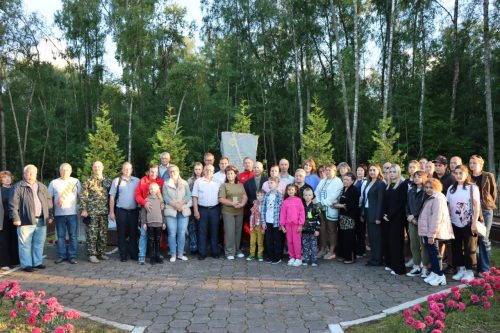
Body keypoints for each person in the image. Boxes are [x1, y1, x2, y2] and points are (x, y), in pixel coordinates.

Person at [9, 165, 53, 272]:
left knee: (39, 242)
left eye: (33, 172)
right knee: (25, 244)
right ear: (24, 174)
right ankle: (26, 265)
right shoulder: (18, 186)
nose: (30, 174)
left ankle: (37, 262)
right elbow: (12, 204)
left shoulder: (42, 186)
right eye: (28, 172)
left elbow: (49, 202)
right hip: (25, 220)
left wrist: (50, 215)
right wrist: (15, 217)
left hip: (42, 220)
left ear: (36, 174)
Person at [447, 165, 480, 282]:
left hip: (468, 223)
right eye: (456, 173)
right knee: (456, 247)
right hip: (454, 223)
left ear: (466, 174)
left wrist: (474, 223)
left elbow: (477, 207)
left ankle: (470, 271)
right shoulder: (451, 188)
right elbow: (448, 206)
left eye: (461, 173)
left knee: (469, 247)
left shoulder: (472, 188)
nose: (458, 175)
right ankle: (460, 269)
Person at [419, 178, 454, 286]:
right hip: (427, 230)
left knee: (435, 254)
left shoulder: (438, 198)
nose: (428, 190)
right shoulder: (432, 197)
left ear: (437, 187)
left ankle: (440, 276)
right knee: (432, 253)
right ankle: (434, 273)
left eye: (431, 187)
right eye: (427, 187)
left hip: (432, 231)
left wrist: (431, 234)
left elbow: (436, 218)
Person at [49, 163, 82, 265]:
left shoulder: (75, 181)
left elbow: (81, 197)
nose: (64, 172)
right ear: (59, 171)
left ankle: (72, 256)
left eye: (67, 170)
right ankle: (62, 256)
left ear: (70, 171)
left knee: (73, 236)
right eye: (62, 170)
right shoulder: (53, 183)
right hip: (59, 214)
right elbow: (49, 199)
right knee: (61, 236)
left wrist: (84, 209)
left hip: (72, 214)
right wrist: (50, 214)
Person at [469, 155, 497, 274]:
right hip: (472, 210)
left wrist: (488, 205)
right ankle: (475, 266)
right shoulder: (468, 177)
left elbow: (493, 193)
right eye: (470, 163)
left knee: (484, 238)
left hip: (485, 210)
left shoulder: (488, 176)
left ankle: (484, 268)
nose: (472, 165)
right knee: (474, 239)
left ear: (481, 164)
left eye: (474, 163)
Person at [80, 161, 112, 264]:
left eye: (99, 166)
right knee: (92, 234)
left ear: (102, 168)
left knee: (103, 233)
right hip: (91, 212)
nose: (97, 168)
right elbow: (83, 196)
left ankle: (101, 252)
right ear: (92, 168)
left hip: (104, 212)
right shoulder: (89, 181)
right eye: (95, 166)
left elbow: (112, 196)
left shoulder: (108, 181)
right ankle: (92, 254)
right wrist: (84, 209)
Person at [109, 162, 140, 262]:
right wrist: (111, 212)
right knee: (121, 233)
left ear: (131, 170)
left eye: (129, 169)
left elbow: (140, 195)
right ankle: (123, 255)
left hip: (134, 211)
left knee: (133, 233)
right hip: (121, 211)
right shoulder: (116, 181)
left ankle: (133, 254)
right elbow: (112, 197)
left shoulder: (137, 181)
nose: (127, 170)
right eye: (125, 169)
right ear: (122, 170)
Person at [134, 165, 164, 265]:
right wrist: (144, 203)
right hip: (146, 212)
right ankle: (142, 256)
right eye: (152, 172)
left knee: (157, 237)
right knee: (143, 235)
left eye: (155, 172)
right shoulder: (142, 180)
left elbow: (163, 195)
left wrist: (163, 203)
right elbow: (137, 195)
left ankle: (157, 255)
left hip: (157, 217)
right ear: (149, 171)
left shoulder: (160, 181)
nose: (153, 174)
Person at [382, 165, 408, 275]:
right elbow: (386, 202)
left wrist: (390, 215)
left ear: (398, 173)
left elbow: (401, 204)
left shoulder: (402, 185)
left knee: (396, 243)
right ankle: (391, 264)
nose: (391, 173)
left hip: (397, 218)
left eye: (394, 171)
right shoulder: (388, 185)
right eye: (390, 172)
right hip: (387, 218)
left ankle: (399, 268)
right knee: (388, 242)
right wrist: (384, 214)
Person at [163, 165, 192, 262]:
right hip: (171, 211)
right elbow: (165, 197)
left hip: (183, 210)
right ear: (168, 173)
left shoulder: (184, 183)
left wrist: (180, 204)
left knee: (182, 233)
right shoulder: (166, 183)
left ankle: (180, 254)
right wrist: (175, 205)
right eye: (170, 171)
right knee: (171, 233)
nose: (173, 173)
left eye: (174, 171)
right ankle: (173, 254)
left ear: (178, 171)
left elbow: (188, 195)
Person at [314, 163, 343, 260]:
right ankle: (323, 248)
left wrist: (322, 203)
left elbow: (334, 195)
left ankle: (332, 250)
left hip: (330, 209)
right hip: (321, 209)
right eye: (326, 170)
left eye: (329, 170)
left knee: (332, 230)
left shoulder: (338, 181)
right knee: (322, 229)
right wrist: (318, 202)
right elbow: (317, 192)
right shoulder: (323, 181)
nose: (327, 172)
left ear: (334, 171)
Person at [218, 165, 247, 260]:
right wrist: (232, 203)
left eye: (232, 173)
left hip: (239, 211)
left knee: (238, 232)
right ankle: (229, 252)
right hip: (228, 212)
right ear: (226, 175)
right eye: (228, 174)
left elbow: (244, 196)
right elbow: (221, 199)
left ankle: (237, 250)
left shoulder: (240, 185)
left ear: (235, 175)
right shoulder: (224, 185)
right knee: (230, 232)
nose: (230, 175)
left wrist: (242, 204)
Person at [192, 164, 221, 260]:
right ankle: (202, 253)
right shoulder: (198, 181)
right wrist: (196, 210)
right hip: (202, 209)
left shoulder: (218, 182)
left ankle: (215, 252)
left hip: (215, 209)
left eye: (211, 170)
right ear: (203, 171)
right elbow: (194, 197)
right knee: (202, 231)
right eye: (207, 170)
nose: (209, 171)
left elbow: (221, 197)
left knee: (215, 231)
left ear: (213, 172)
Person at [359, 164, 385, 266]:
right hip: (367, 211)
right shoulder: (368, 182)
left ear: (378, 171)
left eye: (374, 170)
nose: (372, 172)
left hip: (375, 214)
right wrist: (362, 213)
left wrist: (378, 217)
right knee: (371, 237)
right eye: (370, 170)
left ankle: (378, 260)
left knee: (376, 237)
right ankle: (374, 258)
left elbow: (380, 201)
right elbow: (364, 198)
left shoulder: (380, 184)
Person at [405, 171, 430, 278]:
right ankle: (416, 266)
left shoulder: (426, 191)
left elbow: (425, 207)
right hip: (411, 221)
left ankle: (425, 267)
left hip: (422, 222)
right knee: (414, 244)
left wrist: (415, 218)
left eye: (419, 177)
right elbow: (407, 205)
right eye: (415, 177)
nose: (416, 178)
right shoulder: (411, 191)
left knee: (423, 245)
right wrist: (409, 216)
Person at [334, 172, 359, 264]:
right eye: (344, 179)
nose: (345, 181)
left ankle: (350, 257)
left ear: (352, 181)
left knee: (349, 237)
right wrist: (339, 204)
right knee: (342, 236)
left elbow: (351, 205)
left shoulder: (354, 190)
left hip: (350, 217)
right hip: (342, 217)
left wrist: (339, 205)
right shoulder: (343, 189)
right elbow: (341, 202)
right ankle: (343, 255)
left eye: (347, 180)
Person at [260, 176, 284, 264]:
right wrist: (263, 222)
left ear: (277, 184)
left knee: (277, 240)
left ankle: (277, 257)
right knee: (268, 240)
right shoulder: (266, 195)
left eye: (272, 183)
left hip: (277, 222)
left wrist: (282, 223)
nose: (269, 185)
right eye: (268, 183)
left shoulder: (280, 196)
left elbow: (282, 211)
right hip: (268, 222)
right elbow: (263, 208)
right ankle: (270, 256)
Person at [140, 183, 166, 265]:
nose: (153, 190)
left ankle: (157, 256)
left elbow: (162, 213)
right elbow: (143, 213)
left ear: (158, 190)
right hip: (150, 224)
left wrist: (164, 222)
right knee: (151, 240)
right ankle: (152, 257)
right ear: (149, 190)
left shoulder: (160, 201)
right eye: (151, 189)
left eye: (154, 189)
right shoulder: (146, 200)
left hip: (159, 223)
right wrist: (144, 222)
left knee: (158, 240)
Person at [280, 184, 305, 267]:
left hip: (296, 225)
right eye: (289, 190)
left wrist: (301, 224)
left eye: (292, 190)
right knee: (289, 242)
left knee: (296, 242)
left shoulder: (298, 200)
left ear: (295, 191)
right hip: (288, 225)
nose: (290, 191)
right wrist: (282, 225)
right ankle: (292, 257)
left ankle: (298, 258)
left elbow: (302, 213)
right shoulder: (285, 201)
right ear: (287, 191)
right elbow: (282, 214)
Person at [0, 171, 18, 270]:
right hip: (3, 219)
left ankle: (14, 261)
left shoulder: (15, 189)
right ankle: (4, 263)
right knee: (4, 241)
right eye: (5, 177)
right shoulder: (0, 190)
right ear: (1, 179)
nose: (7, 179)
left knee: (14, 240)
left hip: (14, 218)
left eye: (9, 177)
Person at [301, 188, 321, 266]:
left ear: (312, 196)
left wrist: (317, 229)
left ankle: (314, 260)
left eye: (309, 195)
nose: (307, 196)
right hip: (304, 229)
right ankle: (306, 259)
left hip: (313, 230)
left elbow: (318, 219)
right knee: (305, 245)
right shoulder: (301, 206)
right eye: (306, 195)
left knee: (313, 245)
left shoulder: (315, 207)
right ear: (303, 196)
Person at [187, 162, 203, 254]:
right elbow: (188, 193)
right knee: (192, 227)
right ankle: (193, 246)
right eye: (196, 169)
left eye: (199, 169)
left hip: (202, 206)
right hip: (192, 206)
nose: (197, 171)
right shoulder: (190, 180)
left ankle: (201, 246)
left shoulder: (205, 179)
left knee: (201, 227)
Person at [247, 189, 266, 261]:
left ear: (264, 196)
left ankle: (260, 255)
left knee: (260, 242)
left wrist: (263, 228)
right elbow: (252, 215)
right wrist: (251, 226)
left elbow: (264, 216)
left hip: (260, 226)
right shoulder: (255, 203)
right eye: (258, 195)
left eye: (261, 195)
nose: (259, 197)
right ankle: (252, 254)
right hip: (254, 226)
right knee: (252, 241)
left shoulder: (265, 204)